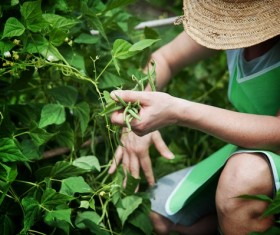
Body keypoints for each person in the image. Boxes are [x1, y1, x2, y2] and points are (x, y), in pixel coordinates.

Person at [108, 0, 280, 234]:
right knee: (156, 212)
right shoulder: (228, 25)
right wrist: (134, 114)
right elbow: (164, 59)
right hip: (250, 146)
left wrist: (178, 111)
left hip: (262, 155)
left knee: (243, 178)